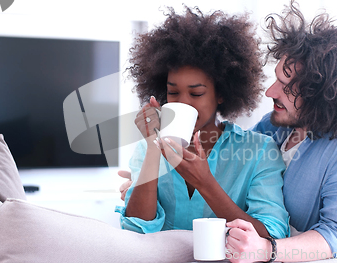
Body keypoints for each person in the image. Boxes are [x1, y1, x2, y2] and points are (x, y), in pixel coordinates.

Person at [120, 1, 337, 262]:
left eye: (287, 86)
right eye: (276, 78)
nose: (270, 92)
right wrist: (145, 179)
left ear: (319, 94)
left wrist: (268, 250)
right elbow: (233, 156)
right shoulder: (274, 126)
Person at [115, 6, 290, 240]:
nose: (184, 104)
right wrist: (152, 149)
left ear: (221, 94)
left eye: (196, 94)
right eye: (173, 93)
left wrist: (205, 183)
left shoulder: (257, 151)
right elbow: (135, 229)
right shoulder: (147, 148)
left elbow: (271, 236)